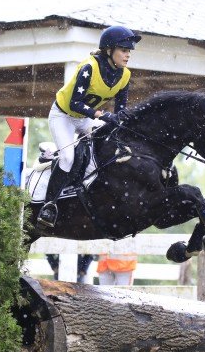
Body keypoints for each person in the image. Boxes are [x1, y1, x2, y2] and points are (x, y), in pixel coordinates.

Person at [37, 25, 141, 228]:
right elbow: (75, 103)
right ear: (110, 50)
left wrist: (123, 118)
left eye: (129, 51)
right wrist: (102, 115)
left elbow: (120, 110)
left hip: (84, 119)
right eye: (124, 50)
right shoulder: (89, 68)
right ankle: (48, 206)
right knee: (68, 157)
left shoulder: (125, 75)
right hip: (63, 115)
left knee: (105, 148)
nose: (127, 55)